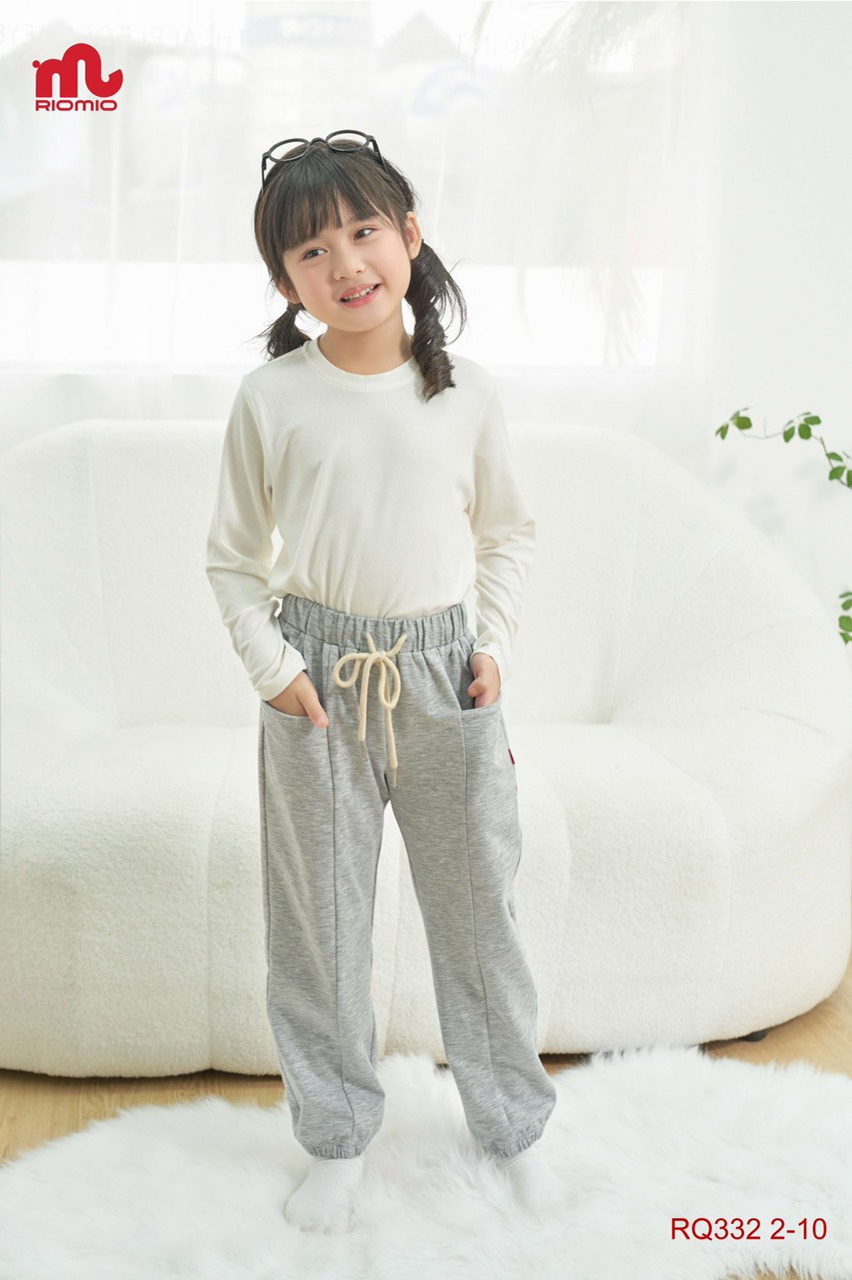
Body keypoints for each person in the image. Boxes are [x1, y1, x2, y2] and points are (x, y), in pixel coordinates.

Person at [205, 130, 560, 1234]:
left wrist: (493, 644)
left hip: (447, 677)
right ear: (285, 281)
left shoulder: (467, 395)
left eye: (364, 231)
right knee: (318, 925)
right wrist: (277, 672)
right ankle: (337, 1138)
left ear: (408, 235)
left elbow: (507, 534)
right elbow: (232, 558)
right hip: (318, 683)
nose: (346, 262)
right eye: (311, 250)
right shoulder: (273, 397)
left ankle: (511, 1128)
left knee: (479, 912)